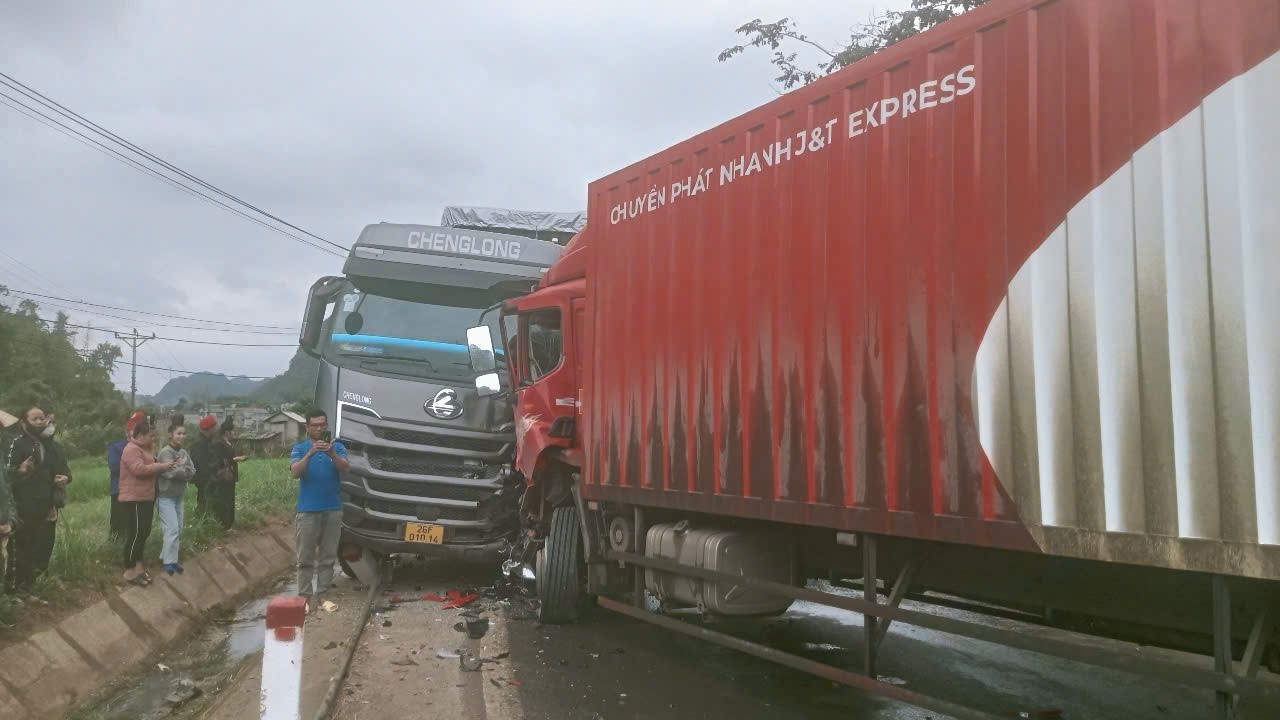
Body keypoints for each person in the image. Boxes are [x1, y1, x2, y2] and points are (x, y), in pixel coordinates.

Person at [3, 407, 64, 595]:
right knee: (21, 548)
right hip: (23, 506)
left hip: (45, 505)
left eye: (42, 418)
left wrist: (63, 480)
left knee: (40, 547)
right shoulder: (17, 444)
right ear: (24, 422)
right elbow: (6, 477)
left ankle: (30, 587)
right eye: (34, 419)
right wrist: (20, 470)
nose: (39, 422)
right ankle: (16, 591)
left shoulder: (51, 446)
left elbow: (63, 470)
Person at [289, 410, 349, 598]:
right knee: (305, 557)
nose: (319, 428)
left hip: (333, 509)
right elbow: (295, 472)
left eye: (322, 424)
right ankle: (305, 596)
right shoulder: (300, 448)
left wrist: (331, 453)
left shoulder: (338, 447)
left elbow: (345, 468)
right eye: (315, 425)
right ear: (307, 428)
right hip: (307, 511)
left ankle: (323, 593)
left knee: (328, 556)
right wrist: (311, 453)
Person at [119, 421, 175, 586]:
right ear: (141, 436)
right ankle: (129, 571)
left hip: (146, 497)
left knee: (144, 532)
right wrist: (161, 466)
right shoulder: (131, 449)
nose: (152, 438)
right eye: (150, 436)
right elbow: (138, 469)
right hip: (134, 498)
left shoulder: (145, 449)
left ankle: (138, 567)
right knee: (135, 534)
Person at [156, 422, 195, 576]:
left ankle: (169, 557)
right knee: (171, 529)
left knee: (178, 528)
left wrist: (183, 469)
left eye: (184, 433)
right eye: (178, 433)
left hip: (178, 495)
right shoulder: (165, 452)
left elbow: (193, 470)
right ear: (170, 435)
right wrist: (184, 470)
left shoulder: (184, 453)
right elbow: (170, 473)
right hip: (165, 497)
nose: (181, 436)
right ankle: (168, 562)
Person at [206, 418, 244, 529]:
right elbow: (219, 461)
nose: (233, 433)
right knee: (225, 500)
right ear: (227, 432)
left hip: (230, 476)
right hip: (223, 476)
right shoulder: (219, 443)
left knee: (230, 499)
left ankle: (229, 523)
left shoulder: (228, 442)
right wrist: (234, 460)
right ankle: (224, 525)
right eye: (232, 431)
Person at [188, 415, 219, 515]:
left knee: (209, 503)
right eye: (214, 427)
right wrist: (213, 477)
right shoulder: (199, 443)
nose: (216, 429)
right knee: (204, 503)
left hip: (209, 479)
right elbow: (201, 464)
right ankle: (203, 522)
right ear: (209, 429)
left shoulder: (207, 441)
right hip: (204, 479)